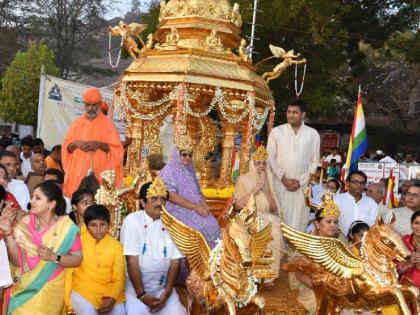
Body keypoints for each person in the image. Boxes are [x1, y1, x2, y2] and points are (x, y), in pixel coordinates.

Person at [2, 181, 82, 314]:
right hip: (23, 293)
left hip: (50, 293)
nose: (31, 201)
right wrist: (8, 233)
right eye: (33, 197)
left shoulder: (67, 228)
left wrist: (54, 257)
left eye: (37, 198)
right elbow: (17, 261)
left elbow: (77, 260)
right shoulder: (24, 223)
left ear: (52, 204)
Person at [120, 178, 186, 315]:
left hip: (163, 288)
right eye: (154, 198)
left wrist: (167, 293)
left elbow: (176, 262)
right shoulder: (133, 221)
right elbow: (132, 261)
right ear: (143, 202)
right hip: (135, 289)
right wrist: (142, 295)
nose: (159, 203)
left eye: (163, 199)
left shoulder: (172, 223)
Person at [267, 99, 320, 231]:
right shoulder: (276, 132)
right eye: (289, 112)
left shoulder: (312, 134)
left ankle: (295, 251)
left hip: (301, 188)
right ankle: (278, 251)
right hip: (279, 185)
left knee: (299, 221)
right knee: (278, 221)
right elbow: (270, 158)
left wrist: (301, 182)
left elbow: (314, 162)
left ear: (303, 115)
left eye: (295, 112)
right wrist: (283, 179)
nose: (290, 115)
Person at [159, 135, 220, 248]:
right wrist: (197, 208)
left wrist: (204, 206)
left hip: (194, 207)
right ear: (176, 154)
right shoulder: (169, 171)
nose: (187, 158)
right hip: (176, 209)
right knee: (199, 230)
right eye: (184, 154)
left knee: (213, 224)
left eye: (190, 155)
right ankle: (193, 263)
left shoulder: (189, 170)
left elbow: (197, 192)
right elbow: (171, 196)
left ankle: (210, 261)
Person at [62, 87, 124, 198]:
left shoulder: (108, 125)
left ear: (100, 104)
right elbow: (67, 149)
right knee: (77, 202)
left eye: (94, 105)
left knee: (97, 206)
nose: (90, 108)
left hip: (100, 176)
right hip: (78, 175)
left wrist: (98, 144)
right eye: (87, 105)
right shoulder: (76, 124)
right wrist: (76, 143)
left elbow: (117, 150)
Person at [65, 205, 125, 315]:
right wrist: (67, 301)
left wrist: (112, 298)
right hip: (84, 291)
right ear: (87, 226)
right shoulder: (78, 242)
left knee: (119, 312)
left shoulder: (117, 247)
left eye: (102, 224)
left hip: (110, 292)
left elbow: (119, 278)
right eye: (93, 225)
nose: (98, 229)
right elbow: (68, 274)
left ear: (108, 224)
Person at [234, 146, 281, 282]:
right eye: (258, 163)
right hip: (248, 216)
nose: (261, 166)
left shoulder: (270, 181)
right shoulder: (243, 180)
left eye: (264, 163)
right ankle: (256, 275)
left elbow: (273, 208)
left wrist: (265, 187)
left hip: (267, 216)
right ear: (252, 164)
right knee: (264, 228)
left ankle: (268, 276)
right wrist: (257, 187)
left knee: (276, 227)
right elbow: (238, 205)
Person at [291, 199, 341, 313]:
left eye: (335, 222)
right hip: (312, 289)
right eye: (328, 222)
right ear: (317, 224)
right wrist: (318, 287)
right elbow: (298, 272)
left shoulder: (340, 242)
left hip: (336, 289)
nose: (333, 225)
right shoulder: (307, 244)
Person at [334, 171, 378, 235]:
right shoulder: (336, 200)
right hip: (339, 241)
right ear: (347, 183)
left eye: (362, 183)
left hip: (364, 243)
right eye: (355, 182)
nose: (359, 185)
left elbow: (375, 227)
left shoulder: (371, 203)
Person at [399, 210, 420, 288]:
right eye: (416, 223)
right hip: (406, 288)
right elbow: (393, 272)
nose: (419, 227)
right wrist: (409, 263)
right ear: (411, 224)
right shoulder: (403, 241)